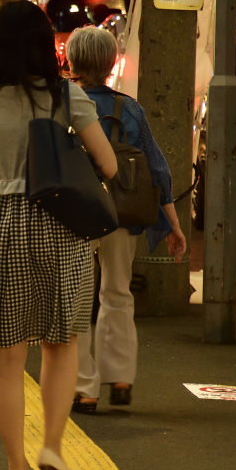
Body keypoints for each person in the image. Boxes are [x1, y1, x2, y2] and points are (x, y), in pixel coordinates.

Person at [0, 1, 117, 470]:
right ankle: (53, 448)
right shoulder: (65, 95)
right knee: (61, 343)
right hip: (59, 222)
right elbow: (108, 165)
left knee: (6, 355)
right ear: (45, 44)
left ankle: (15, 467)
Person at [64, 26, 187, 413]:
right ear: (111, 62)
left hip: (75, 213)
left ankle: (84, 388)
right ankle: (119, 378)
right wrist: (173, 222)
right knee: (117, 293)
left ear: (72, 60)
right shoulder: (129, 109)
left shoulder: (62, 103)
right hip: (122, 212)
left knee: (77, 300)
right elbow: (157, 170)